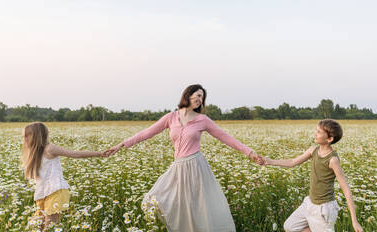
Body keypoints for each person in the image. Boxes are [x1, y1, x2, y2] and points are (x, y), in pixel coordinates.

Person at [104, 84, 264, 232]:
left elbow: (226, 137)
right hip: (178, 168)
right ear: (188, 95)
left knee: (198, 209)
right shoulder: (171, 117)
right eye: (198, 95)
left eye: (202, 97)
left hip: (197, 168)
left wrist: (250, 152)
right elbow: (146, 133)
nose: (200, 99)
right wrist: (121, 145)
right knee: (154, 200)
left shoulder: (203, 120)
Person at [263, 119, 363, 232]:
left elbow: (346, 189)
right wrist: (269, 161)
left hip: (324, 208)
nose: (315, 133)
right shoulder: (313, 150)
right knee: (290, 226)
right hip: (309, 203)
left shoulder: (333, 160)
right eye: (316, 130)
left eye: (319, 132)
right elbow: (292, 162)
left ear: (329, 139)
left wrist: (354, 221)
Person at [21, 122, 106, 230]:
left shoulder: (49, 149)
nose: (25, 139)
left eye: (27, 136)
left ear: (36, 136)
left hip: (56, 192)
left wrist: (99, 154)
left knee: (50, 227)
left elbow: (74, 154)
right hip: (42, 195)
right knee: (37, 227)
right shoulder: (34, 153)